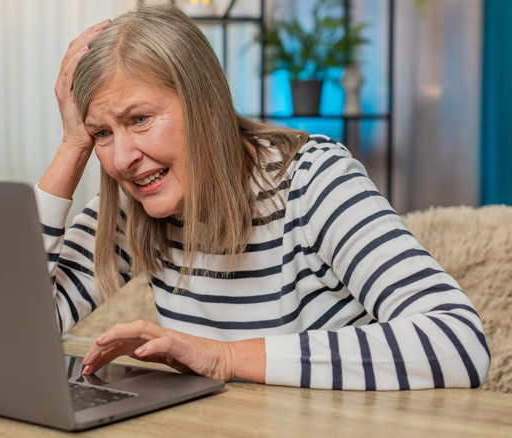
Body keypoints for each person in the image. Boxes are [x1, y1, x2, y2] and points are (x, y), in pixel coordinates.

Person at [36, 4, 489, 390]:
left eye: (139, 119)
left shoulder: (313, 180)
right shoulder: (134, 204)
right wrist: (72, 147)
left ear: (205, 104)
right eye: (101, 133)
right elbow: (14, 332)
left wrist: (226, 359)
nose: (122, 158)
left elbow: (459, 341)